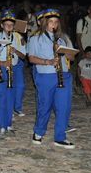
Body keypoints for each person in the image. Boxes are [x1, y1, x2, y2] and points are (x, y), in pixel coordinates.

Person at [28, 8, 77, 149]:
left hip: (64, 75)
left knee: (64, 107)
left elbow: (72, 57)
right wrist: (48, 61)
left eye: (56, 22)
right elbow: (31, 58)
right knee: (45, 106)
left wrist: (66, 54)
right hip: (46, 75)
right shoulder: (36, 38)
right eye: (51, 22)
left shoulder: (64, 38)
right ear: (45, 23)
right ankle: (38, 132)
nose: (54, 25)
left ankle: (60, 137)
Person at [0, 10, 26, 136]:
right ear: (2, 25)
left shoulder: (18, 37)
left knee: (10, 97)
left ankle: (8, 124)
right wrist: (2, 64)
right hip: (2, 68)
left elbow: (24, 55)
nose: (9, 27)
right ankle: (2, 124)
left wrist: (15, 51)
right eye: (6, 24)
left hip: (13, 68)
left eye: (11, 25)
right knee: (2, 97)